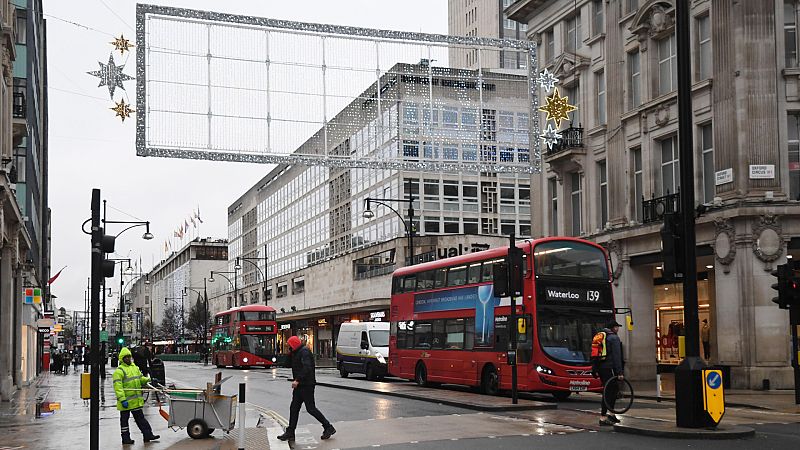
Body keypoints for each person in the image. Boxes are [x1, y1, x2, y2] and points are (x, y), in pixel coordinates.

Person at [276, 336, 336, 442]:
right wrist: (289, 353)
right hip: (300, 386)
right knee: (294, 408)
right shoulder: (295, 352)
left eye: (289, 345)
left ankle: (328, 427)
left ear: (294, 344)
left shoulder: (305, 352)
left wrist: (297, 380)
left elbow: (307, 368)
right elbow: (286, 364)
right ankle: (290, 432)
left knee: (311, 409)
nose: (288, 347)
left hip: (307, 385)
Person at [113, 347, 160, 445]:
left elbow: (140, 379)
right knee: (124, 422)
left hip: (135, 401)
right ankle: (125, 438)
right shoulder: (119, 371)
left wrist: (149, 380)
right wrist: (122, 399)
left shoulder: (135, 368)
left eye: (129, 357)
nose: (128, 359)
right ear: (122, 359)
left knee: (141, 419)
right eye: (126, 357)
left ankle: (148, 435)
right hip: (125, 401)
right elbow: (118, 387)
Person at [597, 320, 625, 426]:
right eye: (617, 327)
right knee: (609, 392)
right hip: (610, 368)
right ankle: (603, 417)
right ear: (613, 328)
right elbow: (617, 356)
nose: (618, 329)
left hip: (601, 368)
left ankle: (611, 414)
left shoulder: (601, 336)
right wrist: (620, 372)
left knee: (612, 391)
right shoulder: (614, 338)